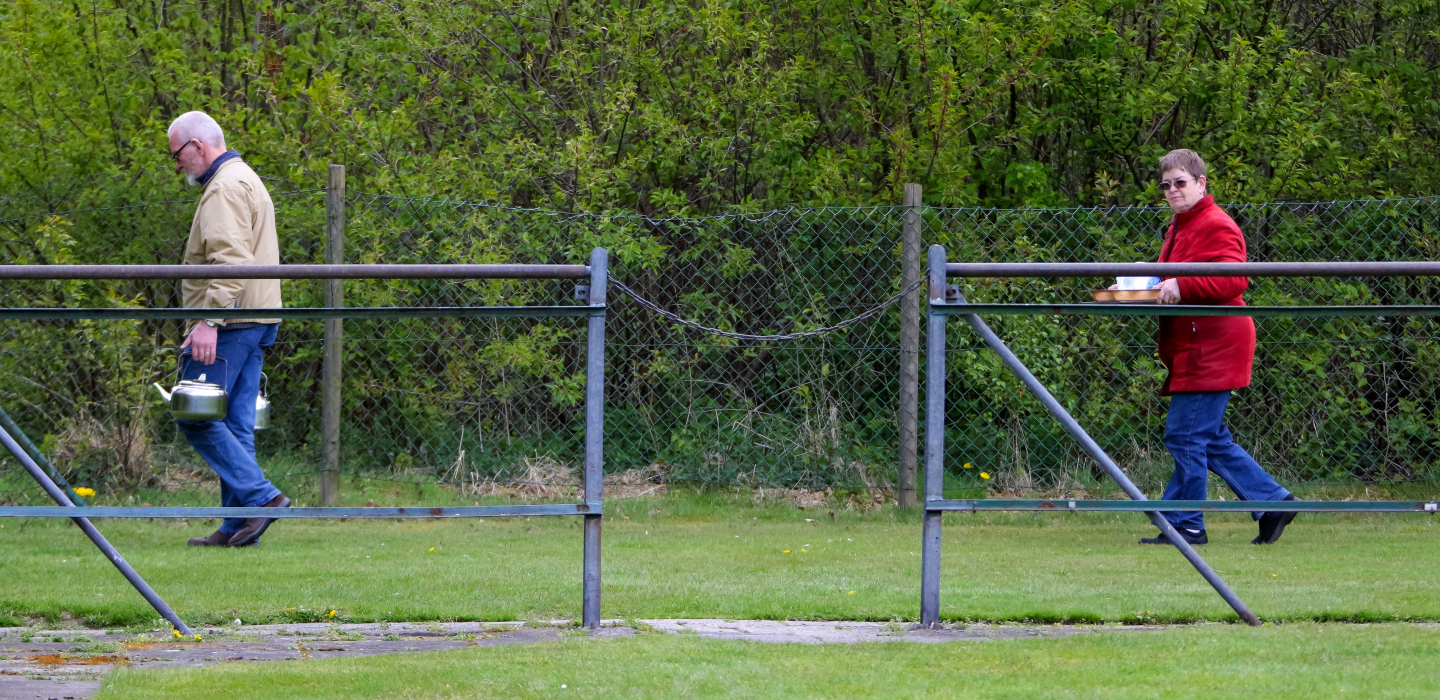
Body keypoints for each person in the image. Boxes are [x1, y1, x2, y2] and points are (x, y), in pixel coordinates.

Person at [1137, 149, 1297, 546]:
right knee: (1206, 437)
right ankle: (1272, 501)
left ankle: (1188, 523)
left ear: (1201, 183)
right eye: (1167, 185)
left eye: (1180, 183)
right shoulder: (1181, 224)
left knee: (1185, 436)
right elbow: (1174, 280)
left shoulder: (1215, 223)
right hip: (1195, 342)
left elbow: (1233, 281)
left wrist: (1182, 285)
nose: (1172, 191)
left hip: (1213, 344)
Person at [167, 111, 290, 547]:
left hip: (231, 320)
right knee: (236, 426)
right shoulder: (244, 177)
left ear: (198, 146)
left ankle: (262, 499)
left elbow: (231, 262)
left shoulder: (223, 187)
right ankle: (235, 526)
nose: (177, 164)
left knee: (195, 416)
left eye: (177, 154)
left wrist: (208, 321)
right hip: (255, 317)